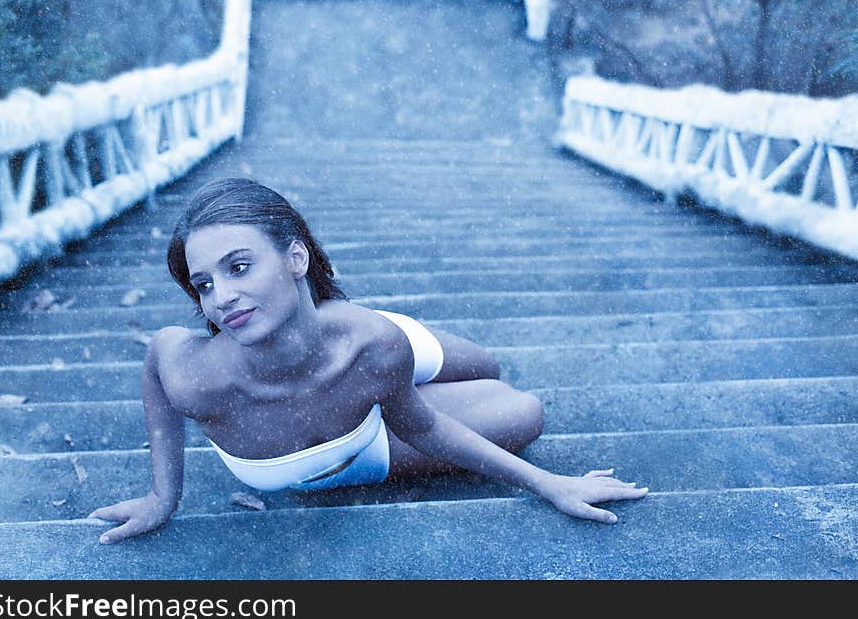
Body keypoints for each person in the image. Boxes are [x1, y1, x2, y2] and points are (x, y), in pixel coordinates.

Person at [89, 178, 647, 544]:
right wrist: (164, 497)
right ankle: (364, 386)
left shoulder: (373, 342)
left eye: (239, 267)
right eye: (204, 284)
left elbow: (419, 418)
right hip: (354, 444)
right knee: (523, 410)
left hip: (359, 346)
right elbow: (421, 429)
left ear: (295, 258)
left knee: (487, 365)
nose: (221, 298)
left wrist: (550, 484)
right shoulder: (190, 368)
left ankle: (357, 362)